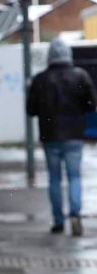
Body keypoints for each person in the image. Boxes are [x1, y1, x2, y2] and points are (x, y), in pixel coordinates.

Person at [26, 37, 96, 236]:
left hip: (50, 136)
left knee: (54, 178)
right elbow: (91, 105)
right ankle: (75, 214)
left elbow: (30, 109)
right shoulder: (80, 76)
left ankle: (58, 220)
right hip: (74, 134)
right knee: (74, 176)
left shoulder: (40, 79)